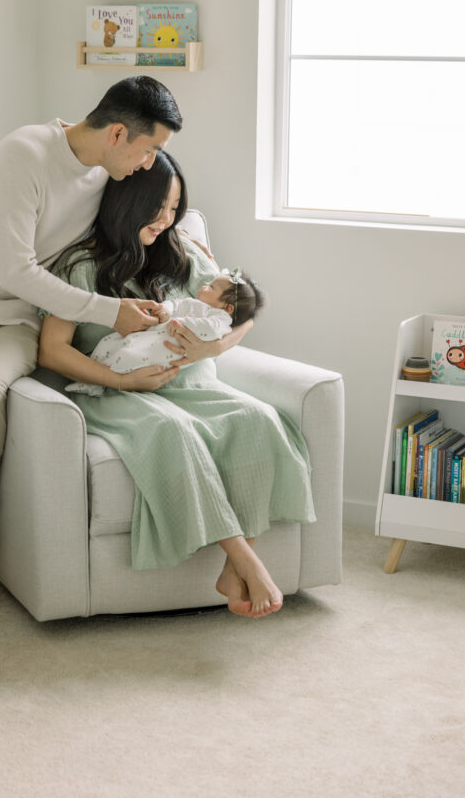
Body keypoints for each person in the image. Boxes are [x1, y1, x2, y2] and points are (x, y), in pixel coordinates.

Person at [0, 76, 248, 598]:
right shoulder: (25, 154)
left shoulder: (109, 172)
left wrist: (171, 229)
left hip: (21, 319)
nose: (150, 164)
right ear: (119, 133)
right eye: (151, 150)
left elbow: (143, 221)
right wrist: (109, 311)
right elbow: (14, 271)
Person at [38, 151, 316, 619]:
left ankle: (232, 568)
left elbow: (243, 312)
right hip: (116, 390)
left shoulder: (182, 252)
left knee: (261, 418)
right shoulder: (80, 264)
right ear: (127, 201)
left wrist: (214, 349)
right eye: (158, 208)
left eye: (174, 208)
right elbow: (51, 351)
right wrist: (121, 380)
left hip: (192, 387)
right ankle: (246, 558)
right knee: (174, 433)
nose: (167, 219)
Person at [65, 268, 264, 396]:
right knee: (116, 344)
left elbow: (217, 328)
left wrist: (212, 344)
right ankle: (95, 380)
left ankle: (98, 383)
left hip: (166, 353)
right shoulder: (194, 304)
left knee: (133, 355)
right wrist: (165, 310)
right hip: (154, 337)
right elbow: (175, 305)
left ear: (227, 308)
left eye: (210, 287)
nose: (204, 286)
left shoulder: (221, 319)